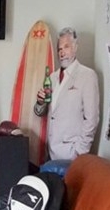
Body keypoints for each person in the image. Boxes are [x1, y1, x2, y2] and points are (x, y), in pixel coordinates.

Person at [33, 27, 100, 161]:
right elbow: (42, 113)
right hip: (50, 151)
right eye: (59, 49)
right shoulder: (52, 78)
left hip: (72, 153)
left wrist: (80, 151)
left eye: (66, 47)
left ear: (75, 48)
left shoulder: (87, 75)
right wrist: (40, 103)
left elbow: (92, 118)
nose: (62, 52)